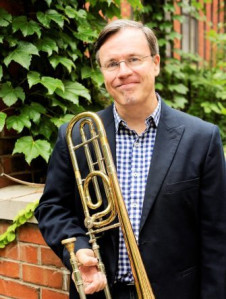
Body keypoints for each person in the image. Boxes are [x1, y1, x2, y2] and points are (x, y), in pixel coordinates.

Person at [35, 19, 226, 299]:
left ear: (156, 63)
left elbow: (217, 237)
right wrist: (79, 249)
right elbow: (53, 208)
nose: (123, 72)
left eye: (134, 59)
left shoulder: (202, 138)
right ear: (102, 72)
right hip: (100, 292)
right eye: (112, 64)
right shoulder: (76, 135)